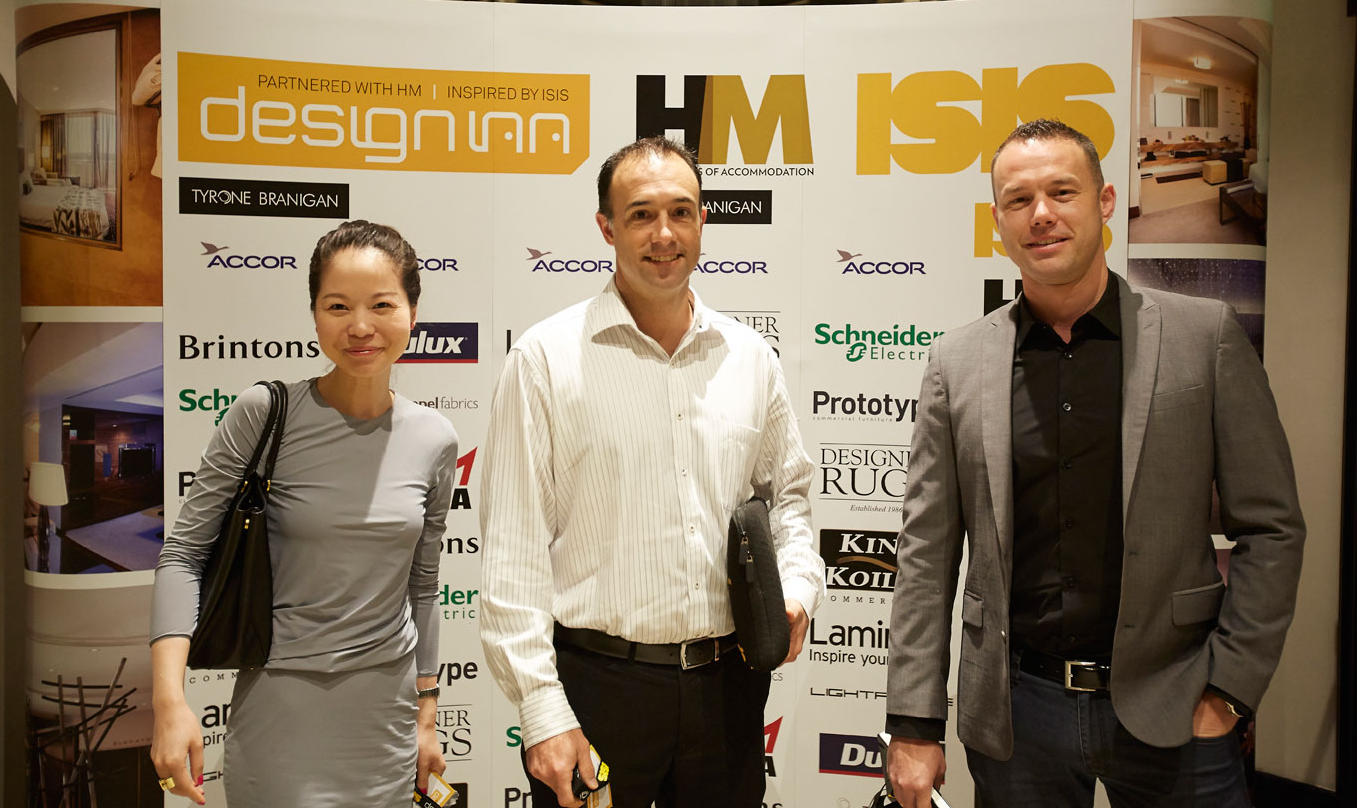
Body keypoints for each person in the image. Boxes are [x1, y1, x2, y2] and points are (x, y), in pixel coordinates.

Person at [883, 119, 1305, 808]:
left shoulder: (1204, 339)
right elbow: (926, 555)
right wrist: (912, 721)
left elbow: (1273, 527)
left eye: (1062, 192)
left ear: (1105, 202)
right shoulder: (956, 362)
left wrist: (1230, 688)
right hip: (1018, 716)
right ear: (998, 223)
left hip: (1177, 706)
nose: (1041, 214)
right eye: (1019, 200)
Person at [479, 136, 824, 808]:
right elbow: (513, 552)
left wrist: (799, 588)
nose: (664, 234)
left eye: (681, 212)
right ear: (606, 227)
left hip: (728, 691)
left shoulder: (750, 357)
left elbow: (788, 498)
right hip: (595, 691)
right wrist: (542, 710)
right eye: (641, 214)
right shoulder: (545, 359)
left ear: (702, 221)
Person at [150, 220, 458, 807]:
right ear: (315, 315)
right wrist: (169, 702)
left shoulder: (436, 438)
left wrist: (426, 713)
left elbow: (423, 583)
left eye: (382, 305)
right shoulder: (265, 413)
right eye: (337, 306)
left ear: (412, 312)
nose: (360, 326)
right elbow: (183, 555)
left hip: (387, 720)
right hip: (280, 710)